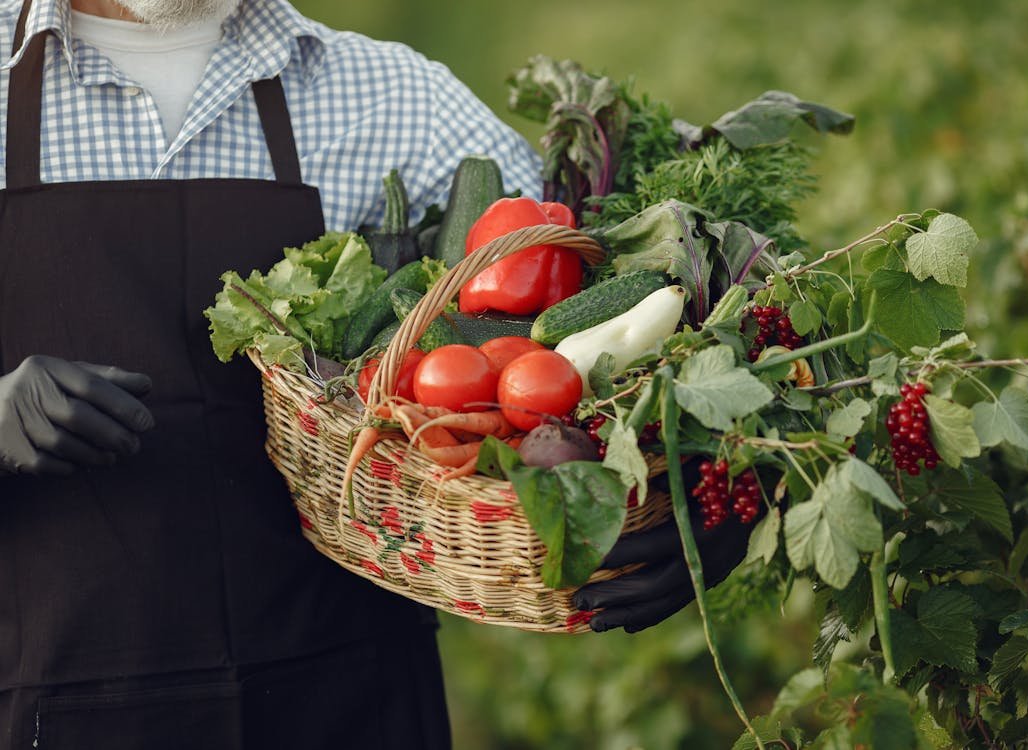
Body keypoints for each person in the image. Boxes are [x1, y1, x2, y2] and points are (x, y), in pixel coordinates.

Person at [0, 0, 751, 746]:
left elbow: (612, 298)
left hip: (345, 697)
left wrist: (709, 488)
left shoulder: (392, 96)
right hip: (49, 699)